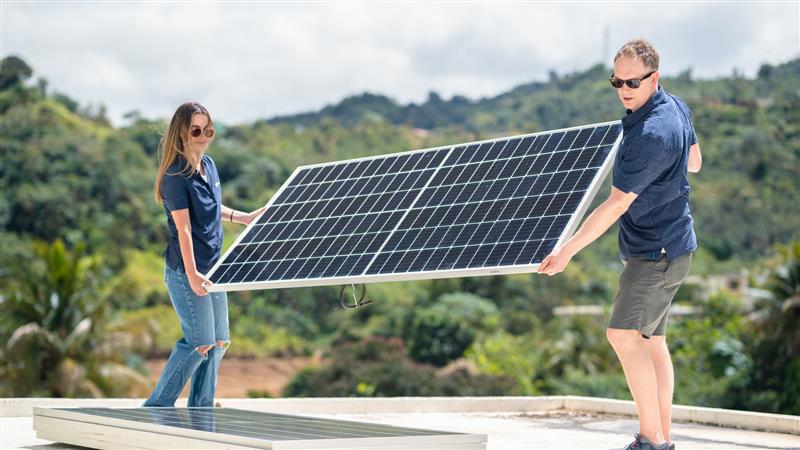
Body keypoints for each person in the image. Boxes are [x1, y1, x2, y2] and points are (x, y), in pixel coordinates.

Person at [539, 39, 701, 450]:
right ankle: (663, 437)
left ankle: (650, 440)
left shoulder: (651, 133)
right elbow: (695, 161)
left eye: (633, 81)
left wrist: (567, 251)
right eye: (617, 81)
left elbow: (615, 205)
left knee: (623, 336)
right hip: (676, 244)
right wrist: (666, 171)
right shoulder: (674, 106)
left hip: (655, 254)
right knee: (652, 342)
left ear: (654, 78)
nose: (624, 89)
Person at [144, 101, 264, 407]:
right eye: (195, 130)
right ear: (182, 133)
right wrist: (194, 273)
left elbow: (210, 209)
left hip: (214, 270)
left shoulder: (208, 166)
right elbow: (184, 229)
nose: (202, 136)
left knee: (219, 342)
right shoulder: (175, 177)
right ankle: (156, 408)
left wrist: (243, 217)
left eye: (207, 130)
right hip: (187, 272)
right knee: (200, 343)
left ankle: (201, 407)